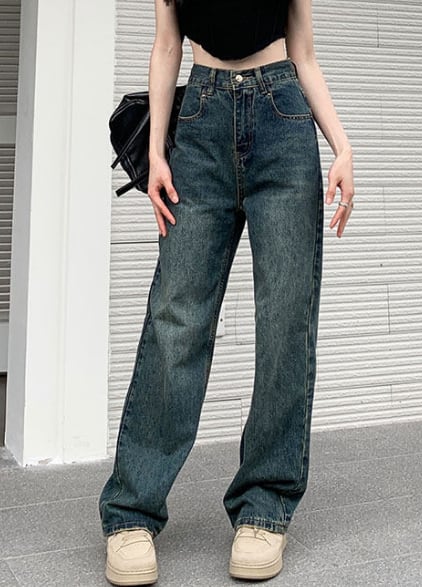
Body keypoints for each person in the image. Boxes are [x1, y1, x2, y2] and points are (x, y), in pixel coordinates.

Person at [98, 0, 355, 584]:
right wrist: (156, 151)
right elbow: (167, 45)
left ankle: (265, 507)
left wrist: (342, 145)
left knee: (286, 323)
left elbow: (304, 53)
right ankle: (131, 512)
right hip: (201, 122)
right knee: (176, 321)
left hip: (284, 121)